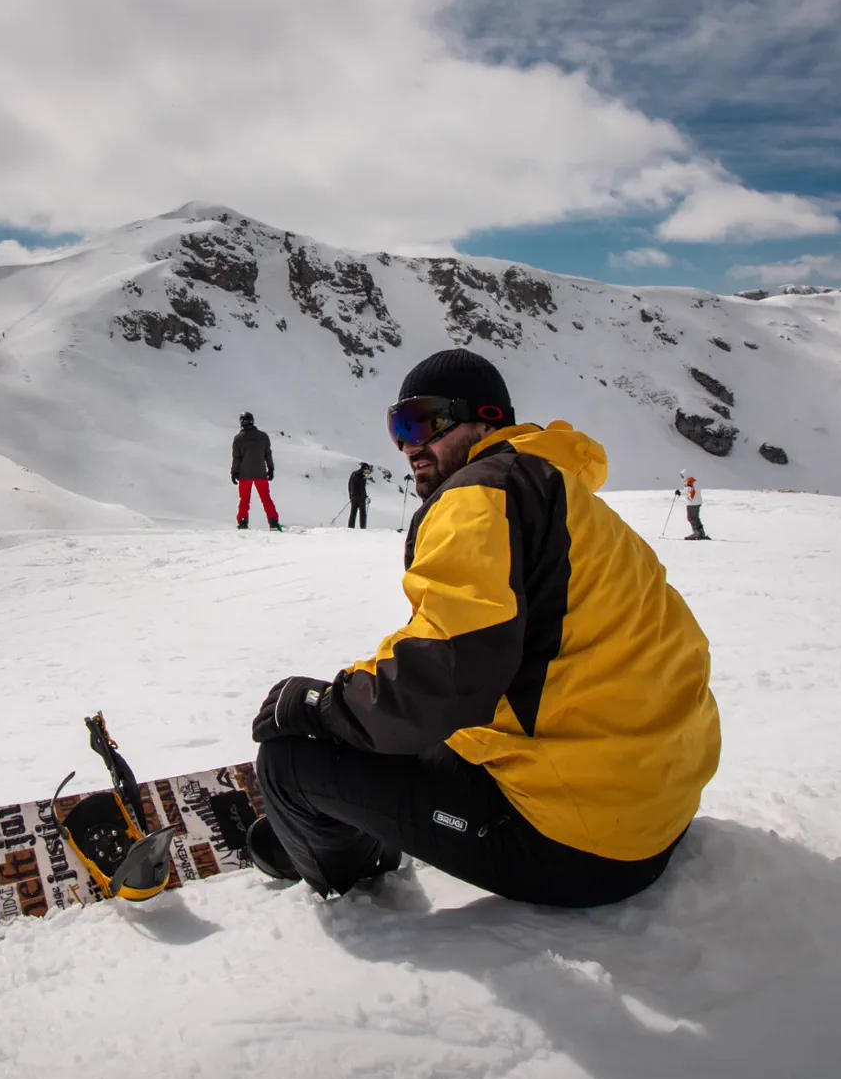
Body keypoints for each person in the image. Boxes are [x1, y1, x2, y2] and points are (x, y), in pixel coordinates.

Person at [243, 348, 722, 907]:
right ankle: (340, 810)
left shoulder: (480, 493)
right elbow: (467, 653)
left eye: (422, 422)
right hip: (648, 804)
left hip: (580, 847)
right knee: (406, 731)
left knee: (289, 761)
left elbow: (446, 673)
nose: (409, 445)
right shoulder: (562, 494)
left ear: (486, 418)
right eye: (397, 428)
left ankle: (352, 869)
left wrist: (323, 709)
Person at [231, 411, 281, 531]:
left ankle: (243, 521)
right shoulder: (263, 436)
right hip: (260, 473)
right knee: (265, 498)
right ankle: (273, 521)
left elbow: (236, 458)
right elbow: (267, 454)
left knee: (244, 500)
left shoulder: (238, 439)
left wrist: (234, 472)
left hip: (245, 474)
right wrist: (271, 468)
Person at [678, 472, 709, 540]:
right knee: (695, 518)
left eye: (682, 476)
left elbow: (688, 492)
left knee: (691, 517)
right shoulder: (693, 480)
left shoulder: (689, 481)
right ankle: (701, 532)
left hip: (692, 503)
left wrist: (679, 492)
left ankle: (697, 533)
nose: (682, 477)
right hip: (697, 502)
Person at [346, 462, 372, 529]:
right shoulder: (363, 475)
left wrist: (350, 495)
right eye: (367, 469)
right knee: (362, 513)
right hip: (360, 498)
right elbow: (362, 488)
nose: (367, 471)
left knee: (353, 513)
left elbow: (349, 485)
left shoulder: (354, 474)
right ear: (364, 469)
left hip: (353, 497)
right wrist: (365, 496)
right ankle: (363, 528)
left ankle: (350, 527)